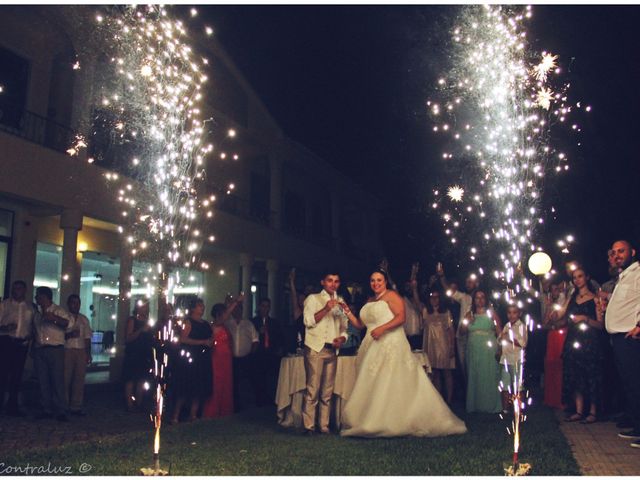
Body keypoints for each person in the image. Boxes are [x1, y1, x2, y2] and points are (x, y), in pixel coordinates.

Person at [339, 268, 466, 437]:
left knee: (389, 380)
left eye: (379, 280)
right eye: (372, 280)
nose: (375, 283)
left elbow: (401, 317)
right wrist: (347, 311)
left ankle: (393, 419)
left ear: (385, 282)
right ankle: (373, 417)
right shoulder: (370, 300)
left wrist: (382, 328)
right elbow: (360, 325)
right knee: (374, 382)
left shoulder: (391, 296)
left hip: (389, 341)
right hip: (371, 344)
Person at [301, 269, 348, 435]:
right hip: (315, 348)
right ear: (323, 282)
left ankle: (324, 426)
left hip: (332, 350)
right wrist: (326, 308)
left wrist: (342, 338)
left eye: (336, 281)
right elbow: (308, 321)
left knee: (327, 391)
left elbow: (344, 327)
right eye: (330, 280)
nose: (333, 284)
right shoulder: (313, 299)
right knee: (312, 389)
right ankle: (308, 427)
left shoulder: (341, 301)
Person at [603, 240, 640, 448]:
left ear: (632, 252)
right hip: (618, 338)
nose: (617, 255)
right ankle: (637, 425)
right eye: (614, 252)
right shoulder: (623, 276)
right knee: (629, 384)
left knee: (636, 383)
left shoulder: (638, 273)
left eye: (621, 251)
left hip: (631, 337)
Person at [556, 268, 603, 424]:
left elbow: (601, 325)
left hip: (589, 341)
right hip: (573, 340)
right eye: (574, 277)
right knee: (575, 375)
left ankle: (593, 411)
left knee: (590, 375)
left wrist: (585, 319)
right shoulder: (572, 299)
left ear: (587, 277)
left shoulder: (596, 299)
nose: (577, 280)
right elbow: (562, 318)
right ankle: (578, 410)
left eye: (580, 276)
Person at [32, 286, 75, 421]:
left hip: (55, 349)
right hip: (40, 349)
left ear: (45, 297)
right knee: (42, 380)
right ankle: (46, 408)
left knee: (57, 380)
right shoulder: (37, 314)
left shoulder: (58, 311)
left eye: (38, 296)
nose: (36, 298)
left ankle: (61, 410)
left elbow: (69, 325)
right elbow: (35, 332)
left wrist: (54, 318)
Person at [411, 281, 455, 404]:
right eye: (432, 297)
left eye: (436, 297)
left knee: (446, 372)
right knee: (434, 372)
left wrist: (452, 347)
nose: (434, 299)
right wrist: (414, 287)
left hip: (444, 346)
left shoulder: (446, 313)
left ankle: (449, 400)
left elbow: (451, 330)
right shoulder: (426, 311)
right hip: (430, 345)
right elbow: (416, 302)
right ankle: (438, 399)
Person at [170, 298, 213, 423]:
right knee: (185, 387)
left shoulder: (205, 324)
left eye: (203, 305)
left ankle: (193, 415)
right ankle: (175, 416)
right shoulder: (189, 322)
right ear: (193, 308)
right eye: (199, 306)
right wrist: (202, 342)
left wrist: (210, 342)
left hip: (202, 358)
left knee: (198, 387)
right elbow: (182, 339)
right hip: (190, 357)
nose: (202, 308)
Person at [461, 289, 502, 413]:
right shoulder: (469, 314)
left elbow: (499, 330)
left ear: (486, 299)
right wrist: (467, 321)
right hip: (473, 348)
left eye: (482, 297)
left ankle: (491, 405)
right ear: (474, 300)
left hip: (489, 348)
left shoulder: (492, 313)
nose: (480, 300)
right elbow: (461, 332)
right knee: (475, 375)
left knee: (489, 374)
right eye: (477, 297)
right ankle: (475, 405)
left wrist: (500, 347)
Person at [436, 265, 478, 382]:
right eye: (467, 282)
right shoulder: (464, 297)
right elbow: (448, 290)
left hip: (474, 336)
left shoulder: (481, 299)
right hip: (461, 336)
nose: (467, 284)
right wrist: (442, 276)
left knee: (474, 367)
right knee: (464, 368)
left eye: (470, 282)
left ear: (477, 283)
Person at [0, 280, 35, 416]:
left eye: (20, 288)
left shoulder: (30, 307)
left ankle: (12, 406)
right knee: (3, 374)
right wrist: (5, 327)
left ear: (24, 290)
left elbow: (32, 325)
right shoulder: (4, 305)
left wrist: (30, 337)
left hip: (22, 344)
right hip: (6, 342)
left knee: (17, 375)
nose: (17, 291)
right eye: (15, 288)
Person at [223, 293, 259, 412]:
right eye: (236, 309)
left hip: (245, 358)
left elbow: (255, 340)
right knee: (233, 382)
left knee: (246, 382)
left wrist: (251, 354)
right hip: (231, 358)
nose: (238, 311)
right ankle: (234, 405)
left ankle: (248, 404)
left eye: (240, 309)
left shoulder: (248, 324)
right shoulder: (228, 323)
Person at [251, 298, 285, 406]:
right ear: (259, 307)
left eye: (267, 306)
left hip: (271, 352)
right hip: (259, 353)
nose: (265, 309)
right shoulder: (253, 322)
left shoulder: (274, 322)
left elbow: (279, 337)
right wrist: (258, 332)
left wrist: (279, 348)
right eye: (263, 306)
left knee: (271, 377)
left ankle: (270, 398)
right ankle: (259, 399)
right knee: (258, 376)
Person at [202, 303, 234, 418]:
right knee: (216, 383)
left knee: (226, 383)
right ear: (218, 314)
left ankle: (225, 410)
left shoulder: (225, 327)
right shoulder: (211, 327)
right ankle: (213, 411)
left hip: (227, 358)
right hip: (216, 358)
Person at [122, 301, 154, 412]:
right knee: (130, 379)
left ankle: (139, 402)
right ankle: (129, 403)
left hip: (144, 354)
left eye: (146, 307)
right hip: (133, 353)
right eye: (142, 307)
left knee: (141, 379)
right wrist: (141, 330)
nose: (144, 309)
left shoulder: (148, 321)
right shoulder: (132, 320)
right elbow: (128, 338)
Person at [64, 294, 92, 416]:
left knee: (79, 379)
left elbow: (87, 338)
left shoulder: (84, 319)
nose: (76, 305)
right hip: (67, 349)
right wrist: (69, 335)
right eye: (73, 302)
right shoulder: (64, 317)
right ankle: (63, 405)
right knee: (65, 378)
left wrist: (88, 353)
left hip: (80, 350)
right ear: (68, 304)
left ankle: (76, 406)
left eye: (77, 302)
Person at [542, 280, 568, 409]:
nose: (555, 292)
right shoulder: (549, 305)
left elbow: (563, 320)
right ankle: (551, 398)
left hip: (562, 336)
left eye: (557, 289)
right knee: (551, 365)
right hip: (552, 337)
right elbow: (544, 324)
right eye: (552, 290)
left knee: (561, 365)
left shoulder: (565, 304)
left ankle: (562, 399)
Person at [498, 305, 528, 413]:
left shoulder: (521, 326)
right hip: (506, 359)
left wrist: (510, 338)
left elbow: (523, 343)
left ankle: (518, 409)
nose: (511, 315)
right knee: (505, 385)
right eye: (509, 312)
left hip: (516, 360)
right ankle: (505, 409)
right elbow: (501, 338)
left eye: (514, 312)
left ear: (519, 314)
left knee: (518, 386)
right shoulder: (507, 325)